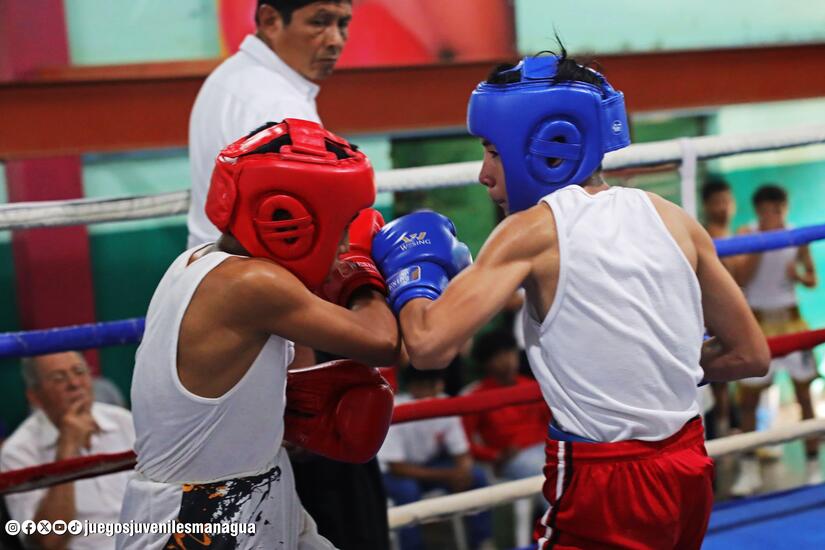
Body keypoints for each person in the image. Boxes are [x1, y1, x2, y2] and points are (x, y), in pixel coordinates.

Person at [372, 50, 770, 549]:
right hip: (688, 463)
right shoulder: (673, 218)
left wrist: (412, 272)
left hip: (605, 480)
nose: (483, 174)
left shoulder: (530, 231)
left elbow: (429, 346)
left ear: (549, 147)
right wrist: (653, 369)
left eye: (493, 151)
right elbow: (750, 354)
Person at [117, 120, 399, 549]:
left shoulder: (196, 261)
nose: (344, 244)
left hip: (255, 485)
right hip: (199, 520)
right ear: (286, 216)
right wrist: (363, 274)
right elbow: (384, 342)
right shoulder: (251, 284)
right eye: (341, 225)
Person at [187, 0, 352, 247]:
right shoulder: (278, 106)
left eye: (343, 23)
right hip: (250, 272)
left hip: (216, 267)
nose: (335, 40)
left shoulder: (231, 74)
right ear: (270, 20)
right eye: (319, 22)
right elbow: (294, 235)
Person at [731, 183, 820, 496]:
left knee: (804, 395)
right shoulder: (747, 232)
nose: (775, 216)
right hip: (758, 325)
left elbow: (812, 279)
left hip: (792, 320)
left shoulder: (798, 234)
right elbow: (740, 279)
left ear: (786, 207)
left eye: (779, 210)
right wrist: (763, 241)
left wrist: (799, 275)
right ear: (759, 211)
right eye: (769, 211)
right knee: (749, 401)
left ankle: (813, 466)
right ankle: (749, 469)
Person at [0, 351, 135, 550]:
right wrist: (67, 448)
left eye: (79, 372)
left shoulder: (124, 421)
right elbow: (48, 542)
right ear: (34, 396)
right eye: (59, 378)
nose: (74, 384)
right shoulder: (17, 451)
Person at [379, 368, 493, 550]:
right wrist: (448, 475)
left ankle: (481, 542)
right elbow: (397, 468)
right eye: (426, 386)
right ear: (413, 387)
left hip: (428, 466)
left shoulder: (444, 403)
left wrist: (462, 471)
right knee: (408, 491)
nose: (432, 391)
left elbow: (461, 453)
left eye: (435, 385)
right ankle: (412, 548)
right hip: (393, 473)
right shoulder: (395, 408)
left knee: (476, 476)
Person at [462, 329, 549, 481]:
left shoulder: (532, 386)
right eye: (499, 356)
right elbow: (463, 443)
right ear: (486, 362)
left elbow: (553, 423)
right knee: (547, 472)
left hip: (546, 449)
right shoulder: (477, 397)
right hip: (513, 460)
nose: (508, 360)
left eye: (510, 352)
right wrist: (496, 455)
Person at [700, 177, 740, 439]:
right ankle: (720, 436)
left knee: (732, 383)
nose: (723, 208)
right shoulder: (705, 238)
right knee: (718, 384)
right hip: (714, 321)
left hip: (735, 317)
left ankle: (728, 434)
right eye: (717, 203)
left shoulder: (736, 236)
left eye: (726, 201)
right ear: (707, 206)